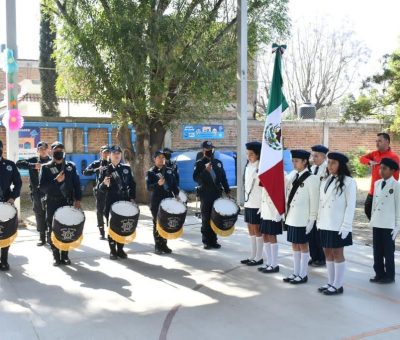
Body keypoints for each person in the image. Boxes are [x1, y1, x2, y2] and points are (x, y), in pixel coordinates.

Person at [317, 152, 356, 295]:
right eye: (329, 162)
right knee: (327, 252)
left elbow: (350, 206)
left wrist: (346, 226)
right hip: (325, 223)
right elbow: (321, 203)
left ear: (341, 165)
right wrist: (318, 221)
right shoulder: (326, 179)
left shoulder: (349, 182)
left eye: (333, 163)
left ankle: (338, 285)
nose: (330, 165)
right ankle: (331, 282)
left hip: (338, 225)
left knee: (337, 253)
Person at [39, 141, 82, 266]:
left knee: (67, 227)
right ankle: (56, 256)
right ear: (51, 151)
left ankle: (65, 255)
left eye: (61, 150)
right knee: (53, 229)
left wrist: (78, 199)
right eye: (56, 150)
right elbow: (42, 187)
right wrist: (56, 181)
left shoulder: (71, 166)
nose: (59, 152)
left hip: (67, 202)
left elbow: (76, 184)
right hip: (52, 202)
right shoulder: (46, 167)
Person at [283, 150, 319, 284]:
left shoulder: (312, 178)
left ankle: (303, 274)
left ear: (305, 162)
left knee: (303, 246)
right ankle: (295, 272)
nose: (294, 163)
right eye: (293, 161)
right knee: (294, 246)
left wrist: (312, 220)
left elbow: (314, 201)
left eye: (296, 161)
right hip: (292, 217)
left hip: (303, 219)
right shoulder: (293, 176)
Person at [98, 145, 136, 260]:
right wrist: (104, 184)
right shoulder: (105, 170)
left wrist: (132, 198)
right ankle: (112, 250)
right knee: (112, 226)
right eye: (114, 153)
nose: (117, 156)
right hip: (110, 201)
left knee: (122, 225)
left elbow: (132, 185)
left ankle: (120, 249)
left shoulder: (126, 168)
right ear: (110, 155)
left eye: (119, 154)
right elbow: (100, 188)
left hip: (124, 201)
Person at [193, 141, 231, 249]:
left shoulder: (218, 163)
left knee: (215, 218)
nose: (209, 151)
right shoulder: (199, 163)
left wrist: (227, 191)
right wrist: (205, 171)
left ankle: (214, 240)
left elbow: (223, 178)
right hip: (205, 194)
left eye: (211, 149)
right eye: (207, 149)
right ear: (203, 150)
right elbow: (195, 178)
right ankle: (206, 241)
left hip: (216, 194)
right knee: (206, 218)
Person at [369, 157, 400, 284]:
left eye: (385, 168)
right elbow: (374, 204)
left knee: (388, 251)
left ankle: (389, 276)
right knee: (377, 250)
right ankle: (379, 273)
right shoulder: (377, 183)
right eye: (380, 168)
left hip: (388, 224)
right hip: (377, 222)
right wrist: (372, 218)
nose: (381, 171)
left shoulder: (396, 186)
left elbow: (399, 206)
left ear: (392, 171)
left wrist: (397, 225)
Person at [16, 141, 51, 246]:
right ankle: (42, 237)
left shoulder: (51, 161)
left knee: (49, 214)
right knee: (39, 213)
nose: (43, 151)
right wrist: (33, 166)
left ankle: (50, 236)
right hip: (36, 192)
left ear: (48, 150)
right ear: (38, 150)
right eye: (41, 149)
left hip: (49, 192)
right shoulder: (33, 160)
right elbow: (18, 164)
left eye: (45, 149)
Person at [146, 150, 180, 254]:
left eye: (163, 157)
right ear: (154, 159)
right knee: (157, 223)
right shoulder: (151, 172)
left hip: (168, 201)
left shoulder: (170, 171)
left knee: (166, 223)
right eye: (159, 157)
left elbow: (174, 185)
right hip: (156, 201)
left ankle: (164, 245)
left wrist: (177, 195)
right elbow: (149, 187)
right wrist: (158, 184)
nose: (161, 159)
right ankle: (158, 245)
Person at [360, 133, 399, 220]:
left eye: (380, 141)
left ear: (387, 142)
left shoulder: (394, 157)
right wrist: (369, 162)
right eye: (376, 141)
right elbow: (361, 159)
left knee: (382, 213)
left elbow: (395, 177)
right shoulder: (374, 154)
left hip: (384, 191)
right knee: (368, 209)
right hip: (373, 190)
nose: (377, 143)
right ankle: (376, 225)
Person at [0, 140, 22, 271]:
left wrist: (12, 197)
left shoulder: (9, 165)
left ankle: (4, 260)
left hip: (6, 203)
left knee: (5, 232)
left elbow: (18, 183)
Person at [240, 142, 263, 266]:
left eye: (252, 154)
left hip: (257, 202)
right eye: (248, 154)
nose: (249, 156)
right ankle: (252, 255)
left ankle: (259, 257)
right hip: (248, 202)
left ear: (258, 154)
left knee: (257, 229)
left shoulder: (261, 166)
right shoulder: (248, 164)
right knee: (250, 228)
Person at [83, 145, 110, 239]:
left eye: (108, 152)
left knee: (111, 210)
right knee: (100, 210)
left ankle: (112, 230)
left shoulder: (113, 163)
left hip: (111, 191)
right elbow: (85, 172)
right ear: (101, 153)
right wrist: (97, 169)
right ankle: (101, 231)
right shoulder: (97, 163)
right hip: (100, 190)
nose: (106, 154)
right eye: (104, 152)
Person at [309, 144, 329, 267]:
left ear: (323, 157)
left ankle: (321, 258)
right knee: (311, 234)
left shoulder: (327, 169)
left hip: (321, 206)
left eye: (316, 156)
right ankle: (314, 256)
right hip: (312, 205)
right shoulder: (312, 168)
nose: (313, 158)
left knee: (319, 235)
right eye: (313, 156)